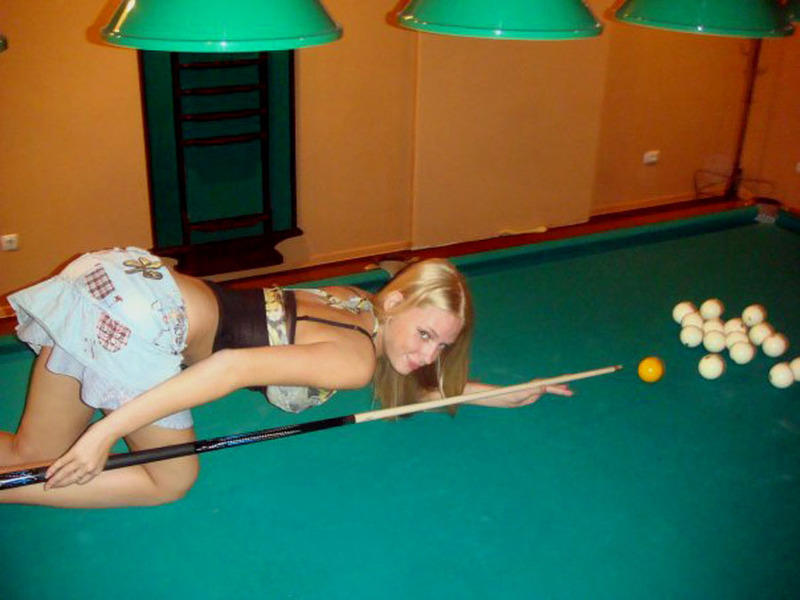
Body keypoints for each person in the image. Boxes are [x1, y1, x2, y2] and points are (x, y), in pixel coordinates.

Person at [0, 247, 570, 508]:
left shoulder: (355, 302)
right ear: (397, 302)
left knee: (31, 452)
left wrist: (489, 393)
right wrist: (103, 435)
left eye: (443, 346)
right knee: (169, 482)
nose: (430, 354)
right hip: (141, 319)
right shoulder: (354, 361)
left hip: (118, 280)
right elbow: (230, 368)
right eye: (425, 335)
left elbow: (396, 366)